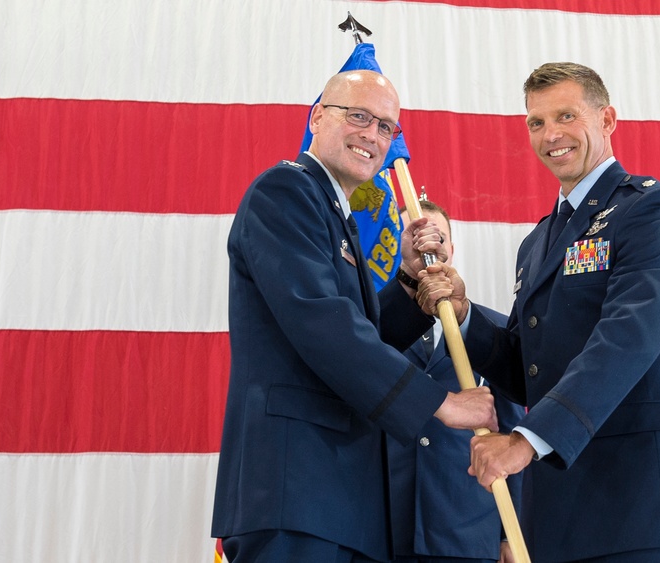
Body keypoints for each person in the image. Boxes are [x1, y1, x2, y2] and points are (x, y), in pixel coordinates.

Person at [211, 69, 499, 563]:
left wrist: (409, 279)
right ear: (318, 117)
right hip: (297, 489)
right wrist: (441, 403)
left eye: (386, 126)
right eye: (359, 116)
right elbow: (323, 324)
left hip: (342, 499)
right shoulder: (286, 192)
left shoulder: (333, 213)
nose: (372, 134)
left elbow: (364, 332)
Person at [417, 62, 660, 562]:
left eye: (566, 116)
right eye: (536, 123)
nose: (551, 135)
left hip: (631, 506)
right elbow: (528, 370)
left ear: (607, 119)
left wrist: (526, 440)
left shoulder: (650, 212)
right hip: (552, 511)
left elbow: (627, 340)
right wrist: (463, 315)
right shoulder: (538, 241)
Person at [387, 200, 525, 563]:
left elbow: (513, 434)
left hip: (466, 527)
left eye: (438, 239)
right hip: (383, 525)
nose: (428, 249)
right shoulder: (369, 332)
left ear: (452, 248)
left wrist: (511, 534)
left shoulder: (491, 331)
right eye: (415, 239)